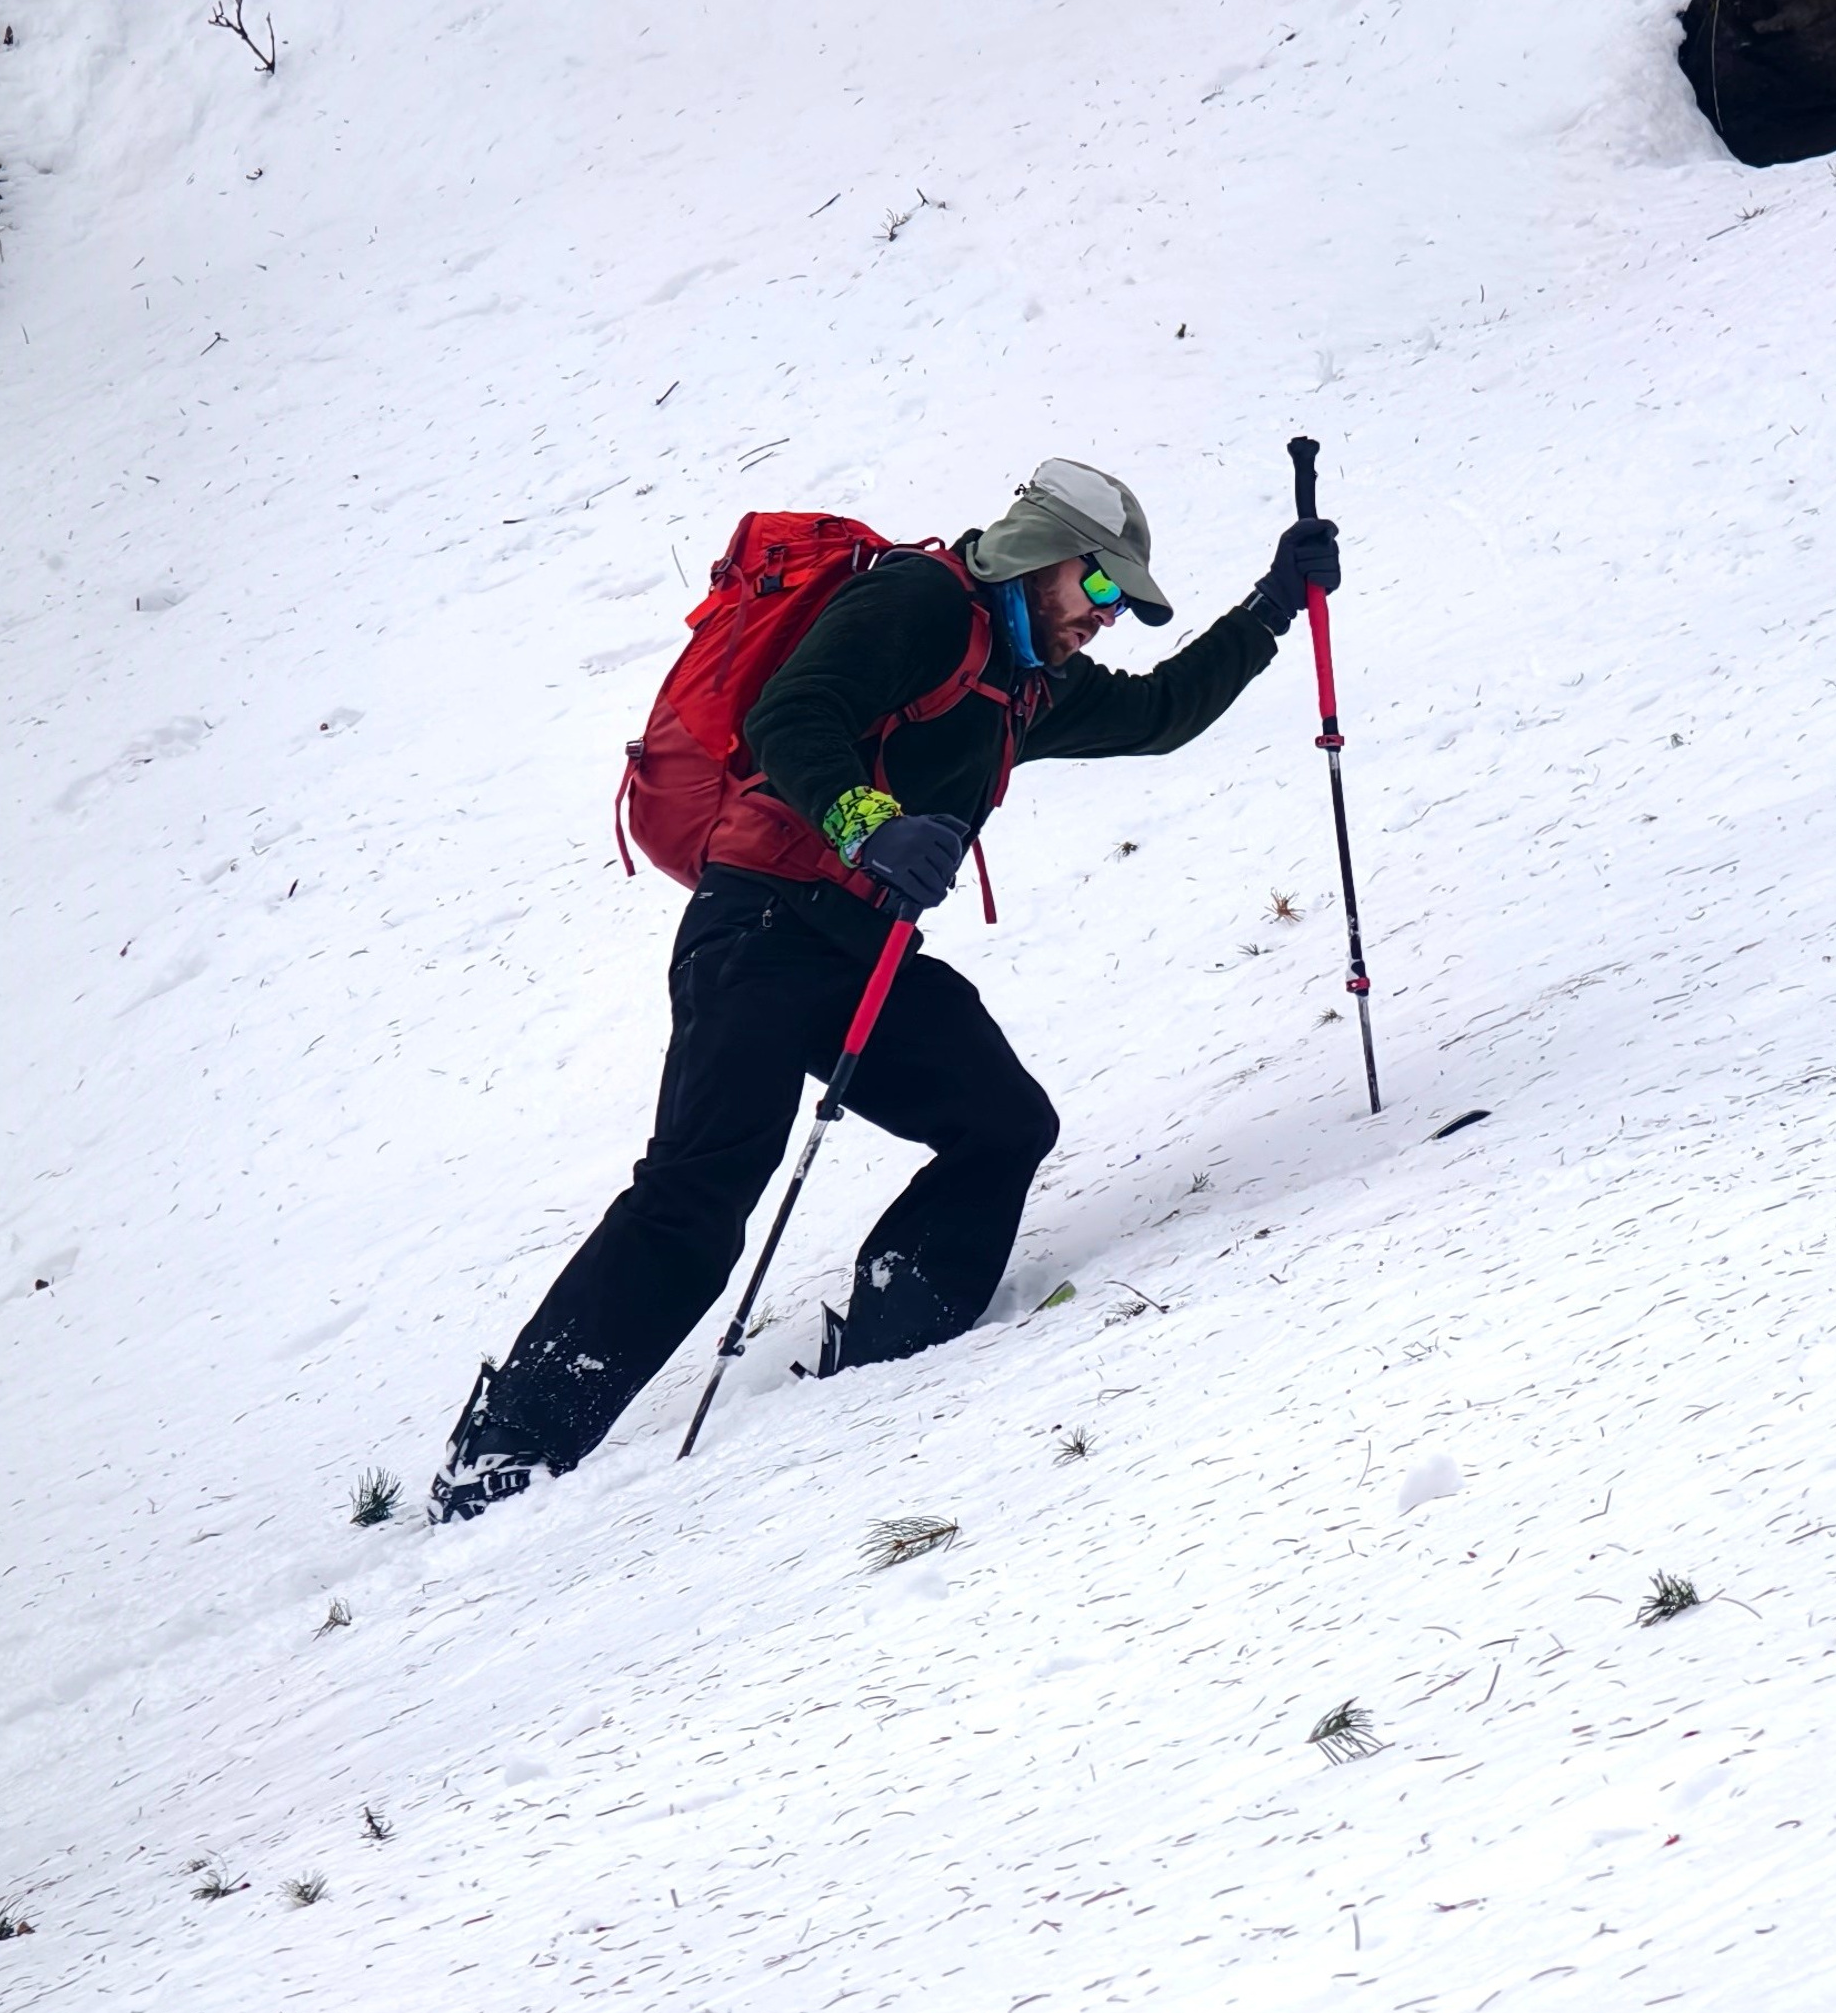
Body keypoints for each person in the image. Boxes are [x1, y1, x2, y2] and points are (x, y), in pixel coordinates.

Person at [429, 458, 1341, 1521]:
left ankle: (888, 1348)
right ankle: (505, 1453)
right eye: (1097, 589)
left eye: (1120, 606)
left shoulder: (1024, 676)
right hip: (759, 923)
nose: (1104, 619)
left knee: (1002, 1123)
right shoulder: (916, 603)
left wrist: (1273, 607)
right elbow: (792, 715)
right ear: (1040, 555)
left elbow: (1163, 711)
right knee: (701, 1190)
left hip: (859, 949)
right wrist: (871, 825)